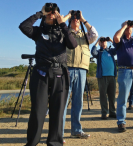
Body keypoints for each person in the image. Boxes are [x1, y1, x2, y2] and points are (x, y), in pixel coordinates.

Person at [19, 3, 77, 146]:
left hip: (60, 73)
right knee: (38, 110)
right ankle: (32, 142)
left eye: (55, 12)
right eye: (49, 12)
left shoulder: (64, 30)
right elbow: (23, 26)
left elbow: (73, 45)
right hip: (41, 73)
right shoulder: (38, 31)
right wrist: (40, 13)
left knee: (57, 112)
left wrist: (63, 24)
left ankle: (55, 142)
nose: (52, 13)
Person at [62, 10, 98, 140]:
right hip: (66, 69)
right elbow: (59, 25)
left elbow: (95, 34)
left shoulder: (86, 36)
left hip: (82, 70)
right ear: (69, 21)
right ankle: (58, 134)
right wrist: (68, 16)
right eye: (73, 19)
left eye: (76, 18)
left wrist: (83, 19)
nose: (75, 19)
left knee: (78, 101)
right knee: (63, 101)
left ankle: (76, 130)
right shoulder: (65, 33)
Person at [91, 37, 117, 120]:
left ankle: (112, 112)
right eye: (102, 42)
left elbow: (118, 48)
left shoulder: (111, 51)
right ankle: (104, 113)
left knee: (112, 96)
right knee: (103, 96)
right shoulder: (99, 52)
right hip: (102, 77)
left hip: (112, 76)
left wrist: (111, 41)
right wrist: (97, 41)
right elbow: (93, 52)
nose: (104, 43)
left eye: (105, 41)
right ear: (100, 44)